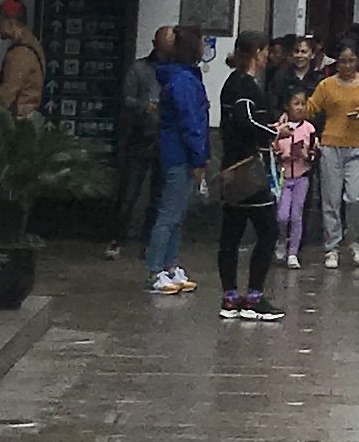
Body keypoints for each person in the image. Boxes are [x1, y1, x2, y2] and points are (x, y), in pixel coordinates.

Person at [214, 33, 283, 323]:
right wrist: (275, 132)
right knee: (268, 231)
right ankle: (253, 297)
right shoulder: (243, 85)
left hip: (232, 165)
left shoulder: (235, 83)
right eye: (265, 51)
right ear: (256, 52)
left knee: (231, 233)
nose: (268, 56)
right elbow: (246, 119)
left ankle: (230, 297)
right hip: (247, 167)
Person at [297, 43, 359, 268]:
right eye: (343, 61)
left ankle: (352, 239)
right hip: (331, 144)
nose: (347, 66)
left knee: (355, 197)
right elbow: (312, 107)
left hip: (358, 146)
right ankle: (331, 246)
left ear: (358, 61)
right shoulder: (326, 85)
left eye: (351, 61)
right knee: (331, 199)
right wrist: (295, 112)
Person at [147, 28, 212, 296]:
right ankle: (156, 268)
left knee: (177, 215)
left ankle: (171, 265)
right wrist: (199, 156)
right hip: (180, 154)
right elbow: (190, 122)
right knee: (169, 214)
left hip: (181, 153)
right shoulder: (183, 81)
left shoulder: (183, 78)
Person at [115, 30, 165, 249]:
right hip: (140, 134)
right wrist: (143, 106)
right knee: (130, 190)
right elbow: (126, 98)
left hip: (164, 137)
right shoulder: (138, 69)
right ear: (155, 44)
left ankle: (148, 240)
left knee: (159, 193)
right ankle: (117, 236)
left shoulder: (174, 71)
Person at [270, 84, 318, 269]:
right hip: (283, 178)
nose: (300, 108)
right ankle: (281, 240)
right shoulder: (279, 128)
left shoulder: (309, 129)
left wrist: (307, 155)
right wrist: (283, 156)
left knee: (297, 215)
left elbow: (314, 153)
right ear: (287, 106)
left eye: (303, 104)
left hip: (301, 177)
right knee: (282, 215)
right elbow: (273, 152)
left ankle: (293, 252)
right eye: (296, 103)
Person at [0, 0, 47, 119]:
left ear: (11, 22)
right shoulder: (33, 44)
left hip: (19, 121)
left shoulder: (20, 52)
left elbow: (8, 92)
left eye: (0, 19)